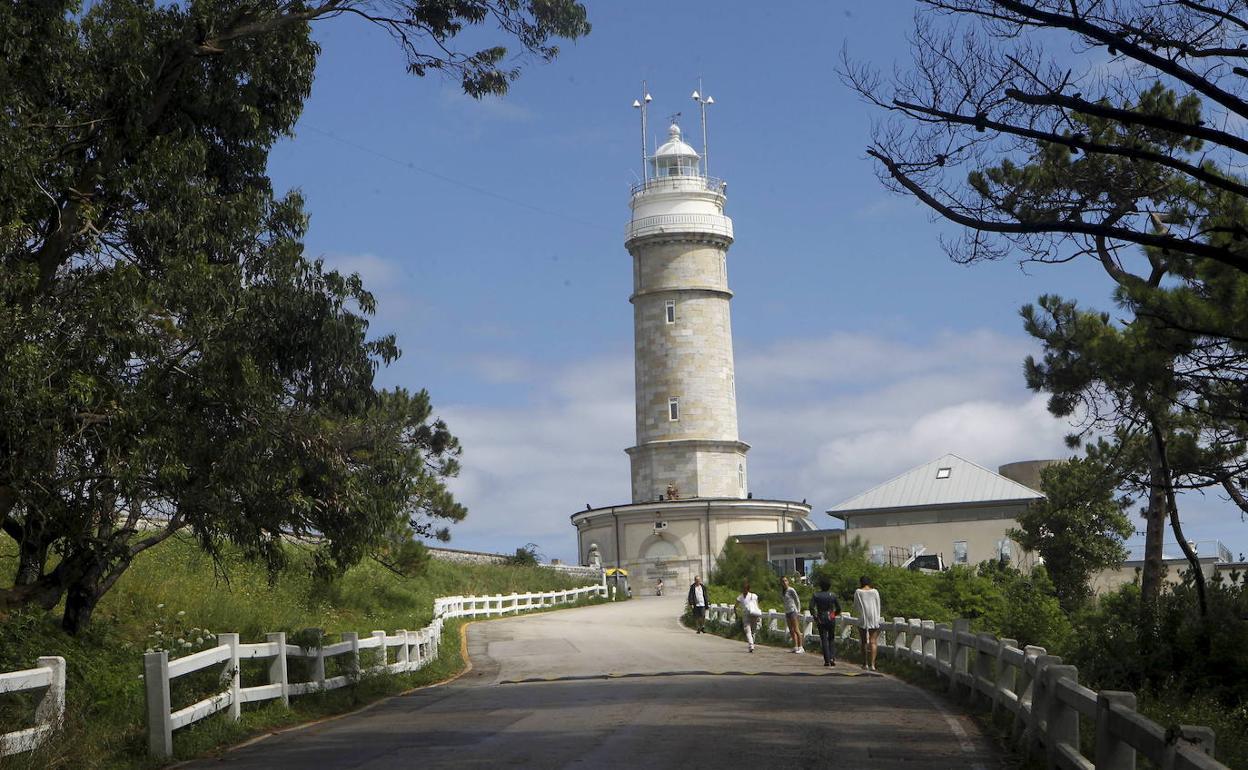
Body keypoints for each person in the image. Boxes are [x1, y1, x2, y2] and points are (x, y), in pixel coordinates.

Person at [808, 576, 842, 667]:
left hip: (821, 618)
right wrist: (834, 614)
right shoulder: (833, 595)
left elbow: (811, 607)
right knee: (831, 638)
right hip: (831, 617)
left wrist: (815, 616)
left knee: (824, 639)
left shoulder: (816, 595)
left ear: (820, 586)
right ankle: (832, 658)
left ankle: (827, 660)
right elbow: (839, 608)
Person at [853, 575, 882, 671]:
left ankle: (864, 663)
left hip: (863, 618)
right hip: (874, 617)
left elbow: (856, 605)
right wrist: (877, 617)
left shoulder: (858, 592)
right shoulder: (875, 592)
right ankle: (873, 665)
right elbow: (878, 605)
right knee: (873, 641)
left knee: (864, 641)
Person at [735, 580, 763, 652]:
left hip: (748, 614)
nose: (744, 590)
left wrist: (736, 614)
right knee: (750, 631)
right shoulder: (753, 596)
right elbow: (757, 606)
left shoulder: (741, 597)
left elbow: (735, 607)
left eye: (745, 588)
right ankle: (751, 645)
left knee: (750, 631)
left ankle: (751, 645)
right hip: (752, 614)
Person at [781, 576, 804, 653]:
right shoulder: (783, 591)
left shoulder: (791, 590)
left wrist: (798, 610)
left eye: (786, 580)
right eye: (783, 581)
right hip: (787, 612)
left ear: (788, 581)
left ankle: (801, 647)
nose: (784, 582)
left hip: (793, 611)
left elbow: (797, 600)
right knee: (791, 630)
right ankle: (795, 646)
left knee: (796, 629)